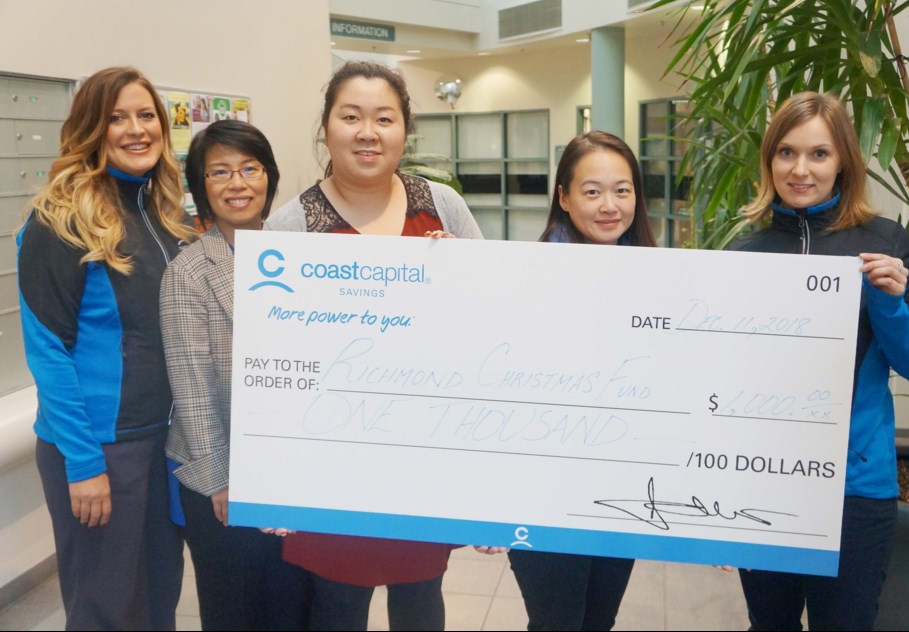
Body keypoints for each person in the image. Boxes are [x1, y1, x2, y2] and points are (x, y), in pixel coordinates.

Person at [265, 60, 482, 631]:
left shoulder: (442, 206)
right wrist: (276, 472)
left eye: (384, 118)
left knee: (421, 599)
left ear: (404, 130)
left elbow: (490, 324)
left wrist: (466, 278)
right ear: (327, 127)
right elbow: (272, 360)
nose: (368, 132)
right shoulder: (291, 227)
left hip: (424, 452)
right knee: (337, 604)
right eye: (351, 117)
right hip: (332, 458)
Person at [729, 92, 909, 631]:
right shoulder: (743, 253)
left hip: (855, 489)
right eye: (785, 152)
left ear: (843, 162)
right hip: (764, 483)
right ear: (769, 160)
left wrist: (891, 305)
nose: (800, 169)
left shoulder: (885, 243)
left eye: (818, 154)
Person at [16, 66, 195, 630]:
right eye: (117, 117)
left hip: (160, 442)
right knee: (105, 608)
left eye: (146, 116)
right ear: (91, 128)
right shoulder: (59, 220)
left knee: (158, 597)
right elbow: (47, 351)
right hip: (100, 447)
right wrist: (84, 462)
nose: (136, 129)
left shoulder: (167, 216)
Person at [160, 120, 311, 630]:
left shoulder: (301, 256)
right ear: (201, 186)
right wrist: (221, 479)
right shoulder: (188, 271)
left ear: (268, 176)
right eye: (219, 172)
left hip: (291, 470)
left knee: (291, 604)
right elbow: (192, 387)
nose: (237, 183)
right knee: (236, 609)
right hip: (222, 477)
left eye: (249, 168)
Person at [506, 131, 656, 631]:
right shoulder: (525, 279)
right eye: (592, 192)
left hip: (621, 492)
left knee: (597, 622)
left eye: (622, 189)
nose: (609, 205)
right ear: (564, 198)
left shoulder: (662, 280)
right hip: (544, 492)